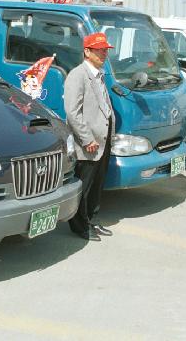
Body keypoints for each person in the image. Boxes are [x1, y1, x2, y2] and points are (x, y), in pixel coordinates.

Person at [64, 32, 116, 241]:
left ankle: (92, 220)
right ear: (87, 51)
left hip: (103, 141)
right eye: (99, 49)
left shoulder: (99, 74)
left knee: (97, 185)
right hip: (90, 142)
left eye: (105, 49)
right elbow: (72, 112)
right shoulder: (78, 75)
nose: (104, 53)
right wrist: (87, 139)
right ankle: (79, 226)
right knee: (83, 187)